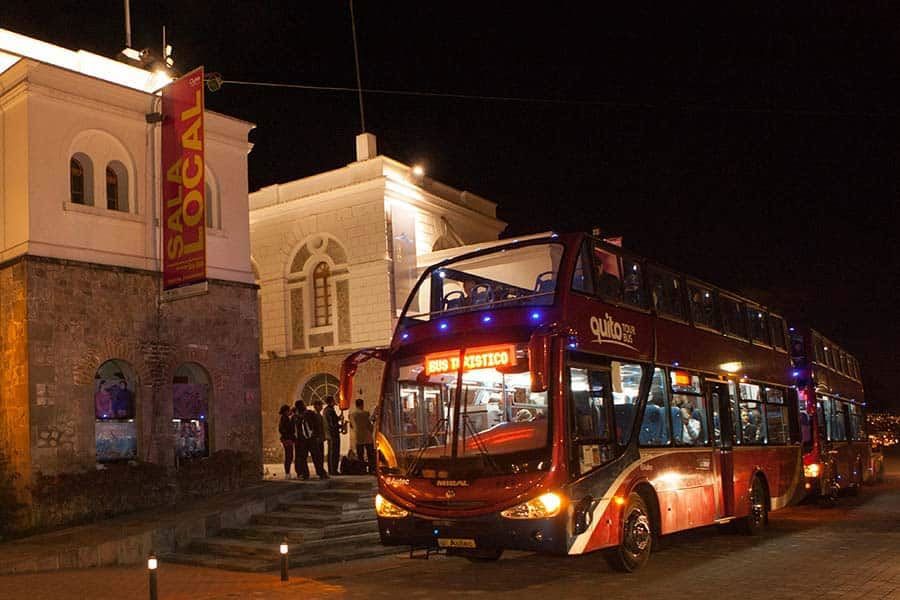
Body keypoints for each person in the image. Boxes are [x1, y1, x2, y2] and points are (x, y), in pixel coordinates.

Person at [348, 398, 375, 474]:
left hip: (358, 437)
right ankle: (371, 469)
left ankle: (362, 470)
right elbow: (369, 425)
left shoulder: (352, 415)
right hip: (367, 436)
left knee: (360, 455)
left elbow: (351, 426)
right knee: (370, 455)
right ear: (362, 405)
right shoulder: (366, 413)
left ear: (356, 405)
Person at [310, 400, 329, 479]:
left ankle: (321, 471)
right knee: (318, 456)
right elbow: (316, 428)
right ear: (316, 406)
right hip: (317, 439)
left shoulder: (319, 415)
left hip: (320, 438)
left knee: (320, 456)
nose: (321, 407)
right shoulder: (315, 415)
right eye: (320, 405)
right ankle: (320, 471)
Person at [323, 396, 342, 475]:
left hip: (329, 434)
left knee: (331, 452)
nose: (335, 402)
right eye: (333, 400)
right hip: (333, 434)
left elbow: (334, 420)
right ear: (331, 401)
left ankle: (331, 470)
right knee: (334, 452)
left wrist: (339, 417)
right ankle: (333, 470)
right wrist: (340, 426)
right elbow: (332, 423)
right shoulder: (330, 411)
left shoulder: (326, 410)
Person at [278, 404, 295, 479]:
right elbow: (286, 429)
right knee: (289, 456)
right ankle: (287, 473)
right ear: (285, 411)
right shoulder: (285, 418)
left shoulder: (284, 418)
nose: (290, 412)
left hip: (286, 439)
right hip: (287, 439)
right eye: (289, 410)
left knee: (289, 456)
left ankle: (287, 473)